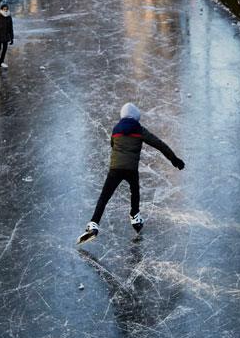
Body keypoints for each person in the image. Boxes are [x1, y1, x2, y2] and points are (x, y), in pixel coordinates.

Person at [78, 103, 185, 244]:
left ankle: (93, 224)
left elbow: (112, 144)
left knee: (104, 197)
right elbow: (159, 144)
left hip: (115, 169)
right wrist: (175, 160)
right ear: (136, 117)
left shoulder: (116, 129)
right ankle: (135, 216)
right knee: (135, 192)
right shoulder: (139, 129)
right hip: (131, 170)